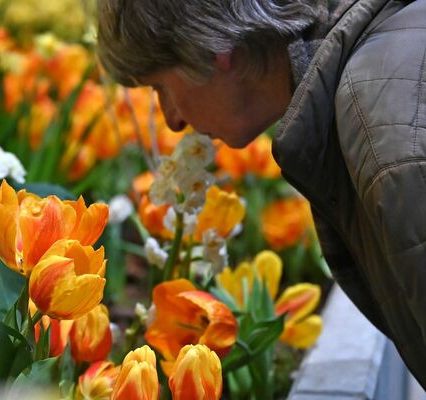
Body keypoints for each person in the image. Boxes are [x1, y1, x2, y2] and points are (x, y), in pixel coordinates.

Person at [97, 0, 426, 387]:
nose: (171, 119)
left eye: (160, 87)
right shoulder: (383, 64)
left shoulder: (387, 138)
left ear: (211, 48)